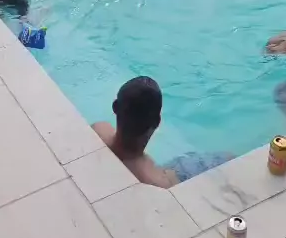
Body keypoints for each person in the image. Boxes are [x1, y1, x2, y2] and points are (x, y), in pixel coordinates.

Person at [92, 77, 231, 188]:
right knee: (228, 159)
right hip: (179, 172)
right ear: (157, 122)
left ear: (115, 107)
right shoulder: (155, 181)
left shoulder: (98, 130)